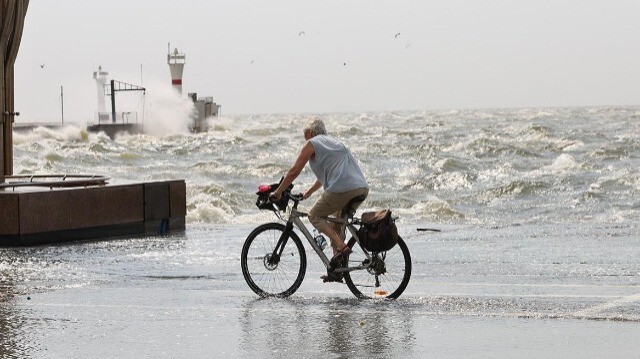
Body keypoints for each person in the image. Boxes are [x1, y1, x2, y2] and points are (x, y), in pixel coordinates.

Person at [270, 116, 369, 281]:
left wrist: (278, 191)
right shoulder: (333, 142)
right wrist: (308, 193)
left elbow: (294, 171)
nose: (304, 139)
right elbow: (324, 176)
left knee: (314, 216)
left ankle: (343, 247)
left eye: (305, 135)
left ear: (309, 132)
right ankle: (337, 271)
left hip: (342, 189)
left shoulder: (312, 143)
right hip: (360, 188)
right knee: (335, 226)